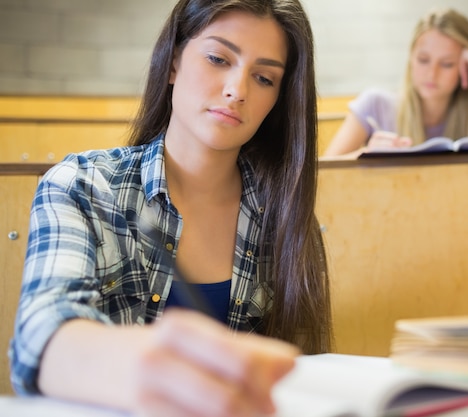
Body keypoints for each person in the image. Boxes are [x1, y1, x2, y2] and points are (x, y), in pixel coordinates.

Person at [9, 0, 332, 416]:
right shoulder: (82, 187)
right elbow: (41, 336)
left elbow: (298, 374)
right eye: (218, 58)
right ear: (174, 61)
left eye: (264, 78)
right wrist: (144, 366)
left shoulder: (283, 216)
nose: (237, 90)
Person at [323, 7, 468, 157]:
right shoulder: (375, 104)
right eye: (423, 60)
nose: (432, 74)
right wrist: (366, 154)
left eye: (447, 64)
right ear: (410, 58)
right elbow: (323, 173)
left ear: (466, 68)